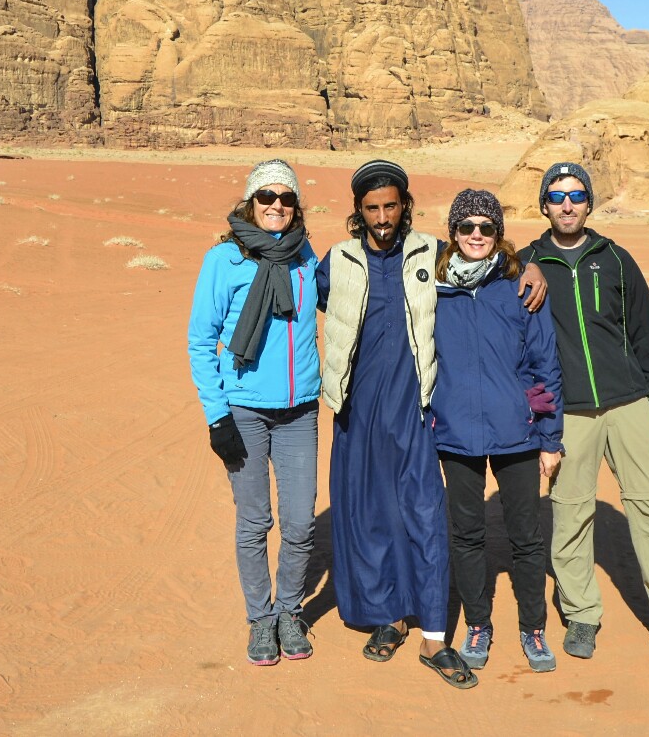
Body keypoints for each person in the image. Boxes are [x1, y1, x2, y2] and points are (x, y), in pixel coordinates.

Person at [316, 159, 546, 691]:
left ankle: (435, 636)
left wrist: (534, 264)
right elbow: (303, 287)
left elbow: (486, 254)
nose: (382, 217)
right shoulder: (339, 260)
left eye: (390, 206)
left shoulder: (430, 253)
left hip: (416, 410)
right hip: (358, 412)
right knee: (373, 515)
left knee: (423, 515)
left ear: (405, 206)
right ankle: (390, 616)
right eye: (372, 208)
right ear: (358, 211)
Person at [522, 161, 649, 669]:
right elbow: (518, 349)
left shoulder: (616, 260)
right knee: (570, 514)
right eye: (557, 196)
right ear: (544, 205)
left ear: (589, 203)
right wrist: (538, 418)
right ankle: (581, 614)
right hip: (568, 414)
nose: (567, 204)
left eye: (576, 195)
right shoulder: (526, 263)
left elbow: (647, 336)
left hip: (629, 404)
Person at [187, 159, 322, 666]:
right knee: (254, 521)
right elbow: (201, 341)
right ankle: (261, 618)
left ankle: (289, 610)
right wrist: (216, 415)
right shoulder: (224, 259)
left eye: (286, 198)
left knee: (300, 523)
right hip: (243, 409)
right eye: (266, 196)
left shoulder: (305, 255)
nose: (276, 205)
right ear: (251, 202)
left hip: (300, 411)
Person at [430, 188, 564, 674]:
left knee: (526, 535)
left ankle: (533, 627)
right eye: (467, 226)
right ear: (453, 232)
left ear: (498, 233)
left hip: (517, 433)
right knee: (467, 534)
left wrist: (550, 438)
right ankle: (478, 624)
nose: (476, 235)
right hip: (455, 433)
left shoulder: (521, 288)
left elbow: (545, 365)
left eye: (486, 227)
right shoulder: (433, 289)